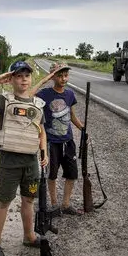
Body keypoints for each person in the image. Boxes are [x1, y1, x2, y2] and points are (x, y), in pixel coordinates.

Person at [0, 60, 49, 248]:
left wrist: (44, 151)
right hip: (10, 162)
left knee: (29, 200)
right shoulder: (3, 100)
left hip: (31, 162)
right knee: (4, 202)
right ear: (11, 79)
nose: (24, 80)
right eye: (19, 76)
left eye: (27, 76)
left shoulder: (38, 104)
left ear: (31, 79)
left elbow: (41, 130)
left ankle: (29, 236)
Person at [30, 61, 84, 216]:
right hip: (51, 142)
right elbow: (29, 95)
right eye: (59, 76)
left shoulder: (70, 94)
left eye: (66, 75)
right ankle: (54, 205)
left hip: (68, 141)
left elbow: (72, 115)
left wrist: (83, 129)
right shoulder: (45, 94)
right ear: (53, 77)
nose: (63, 78)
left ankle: (66, 204)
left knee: (72, 174)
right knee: (52, 174)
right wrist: (44, 80)